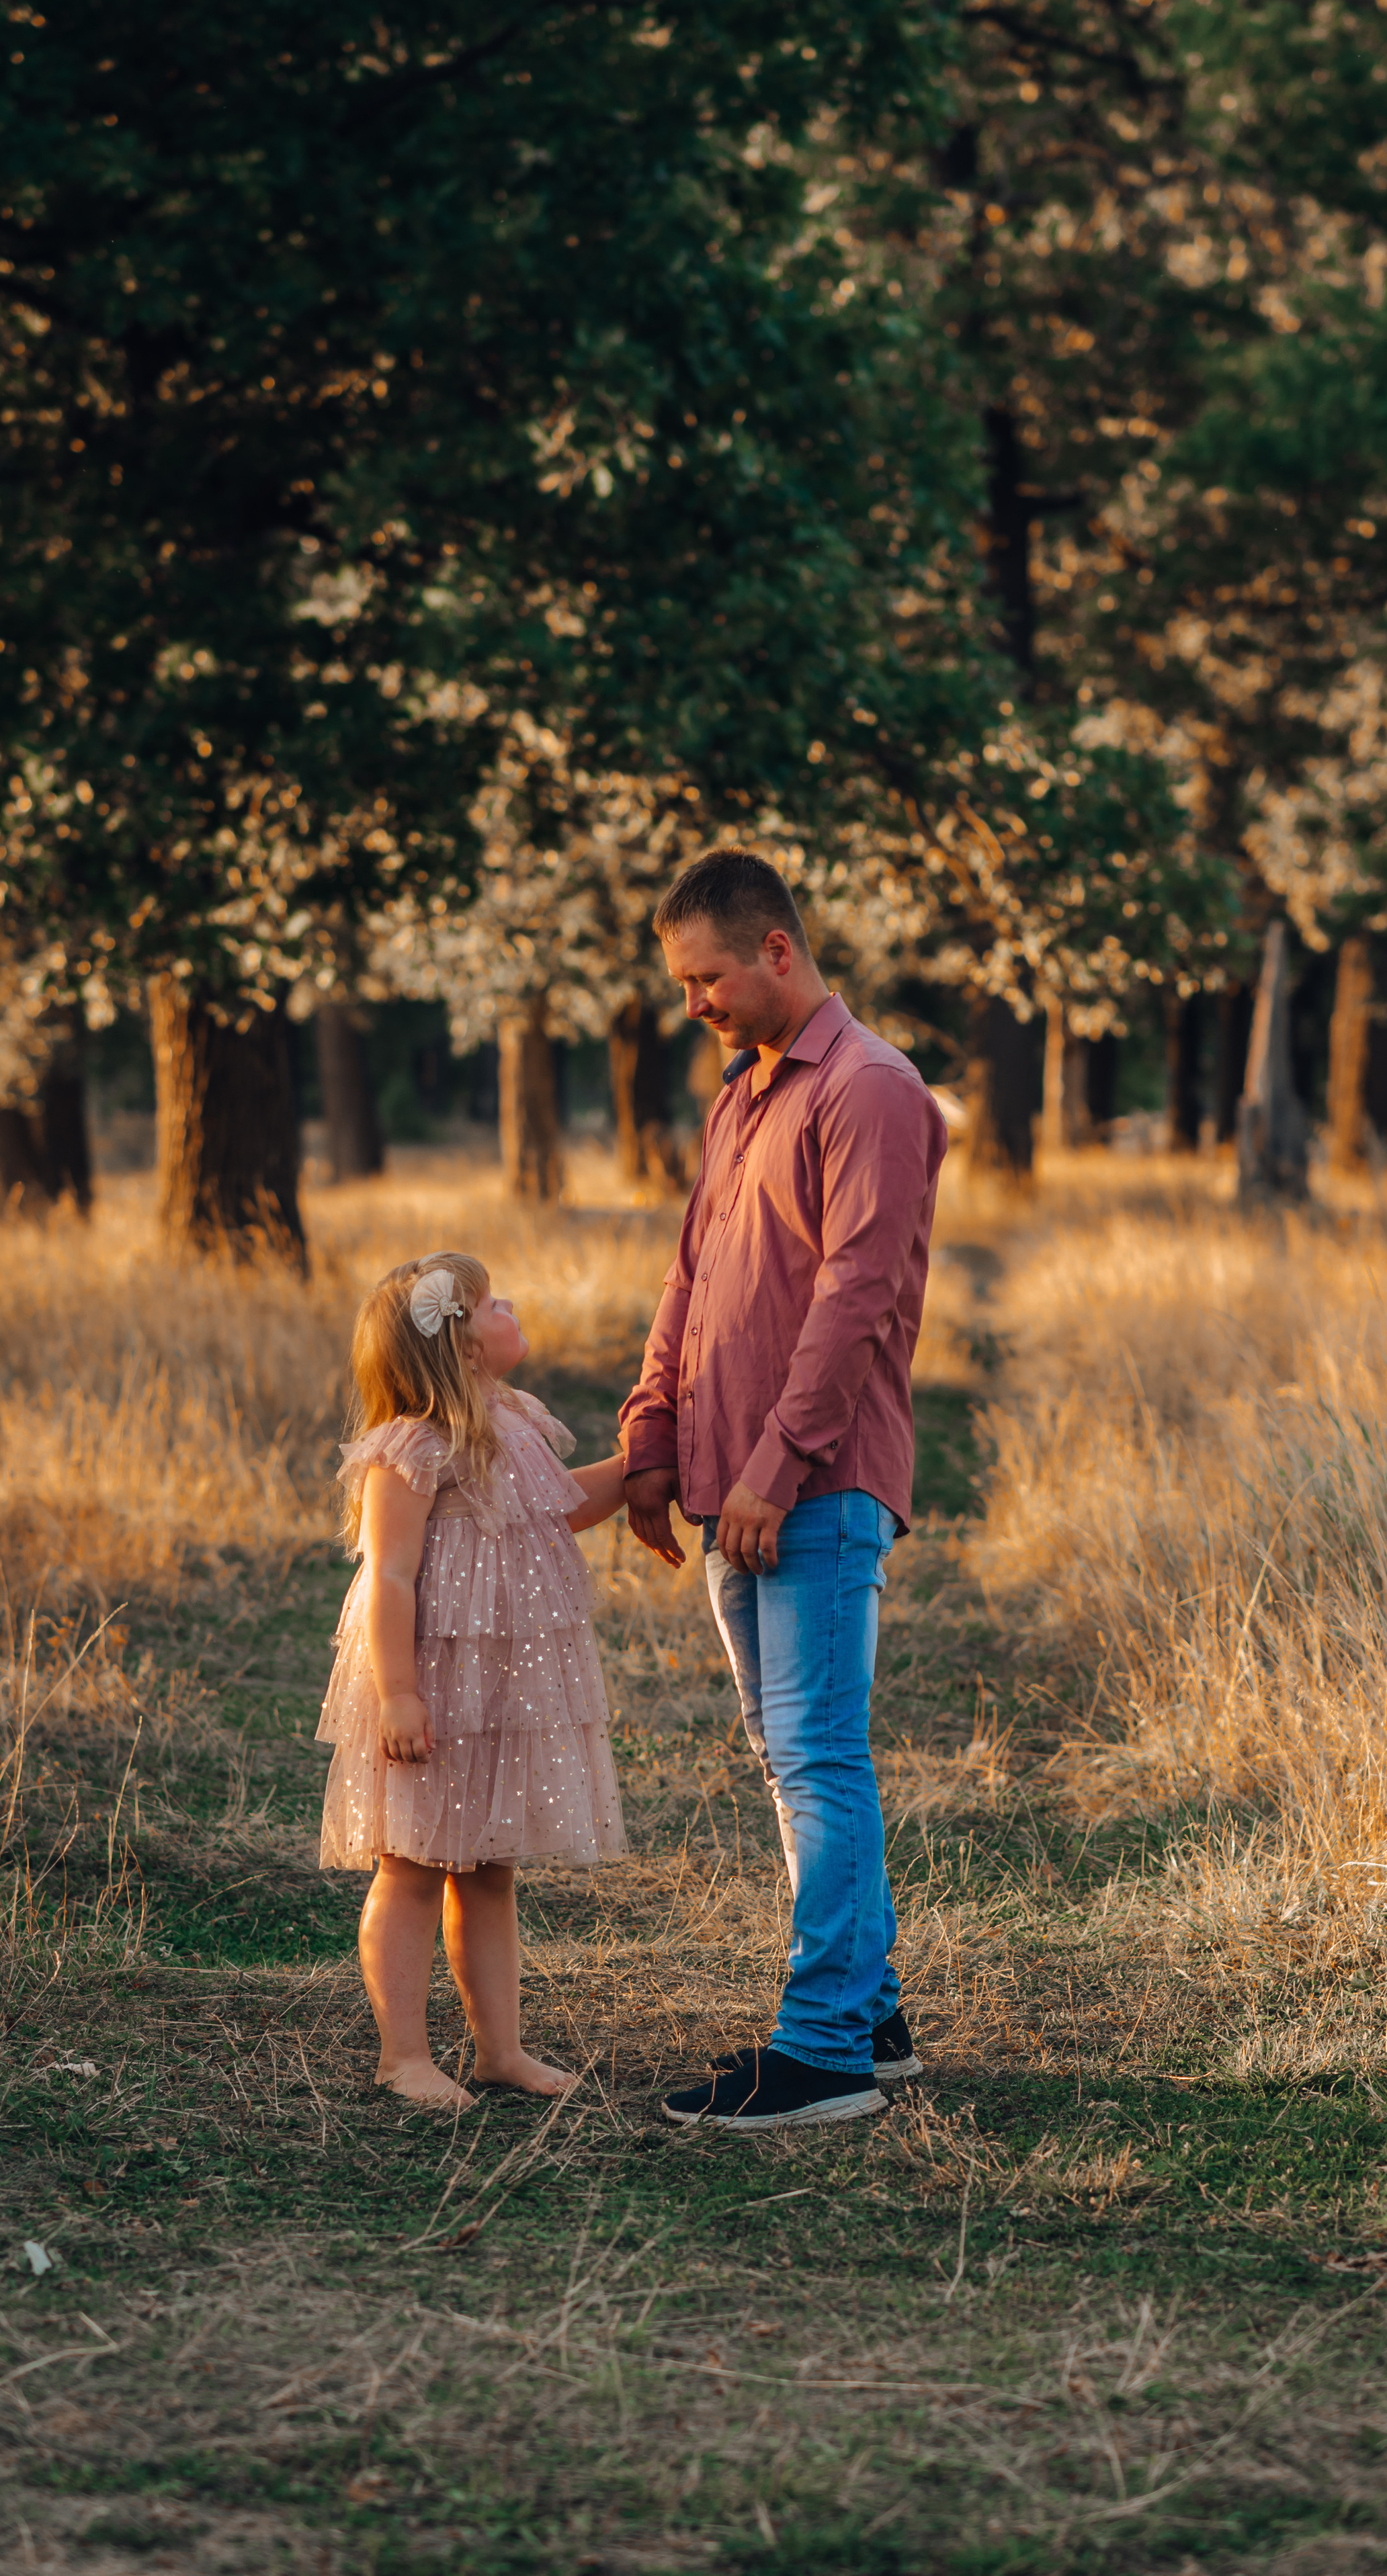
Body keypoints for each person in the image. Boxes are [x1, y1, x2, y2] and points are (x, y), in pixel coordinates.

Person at [620, 851, 948, 2132]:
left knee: (818, 1757)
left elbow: (857, 1295)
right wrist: (655, 1432)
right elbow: (690, 1277)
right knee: (787, 1759)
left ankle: (820, 2055)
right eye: (678, 982)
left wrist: (769, 1466)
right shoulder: (739, 1098)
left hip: (811, 1484)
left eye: (705, 976)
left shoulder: (869, 1087)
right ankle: (872, 2010)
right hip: (727, 1487)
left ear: (775, 951)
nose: (691, 1000)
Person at [319, 1252, 629, 2110]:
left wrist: (644, 1469)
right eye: (492, 1301)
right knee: (412, 1866)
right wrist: (398, 1693)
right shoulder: (411, 1448)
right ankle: (404, 2056)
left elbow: (564, 1506)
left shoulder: (518, 1420)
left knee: (490, 1869)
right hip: (427, 1683)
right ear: (459, 1345)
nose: (513, 1304)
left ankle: (500, 2050)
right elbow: (387, 1576)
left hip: (501, 1683)